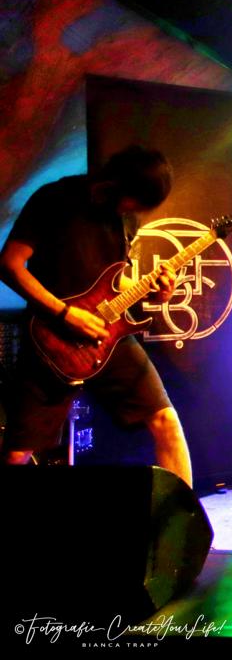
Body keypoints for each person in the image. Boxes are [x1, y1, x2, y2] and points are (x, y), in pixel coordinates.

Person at [0, 146, 192, 486]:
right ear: (115, 182)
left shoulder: (126, 218)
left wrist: (154, 291)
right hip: (51, 340)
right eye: (133, 201)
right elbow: (9, 264)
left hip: (108, 336)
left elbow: (114, 281)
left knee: (166, 421)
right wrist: (63, 313)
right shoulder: (55, 198)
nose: (133, 210)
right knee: (17, 454)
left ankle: (183, 516)